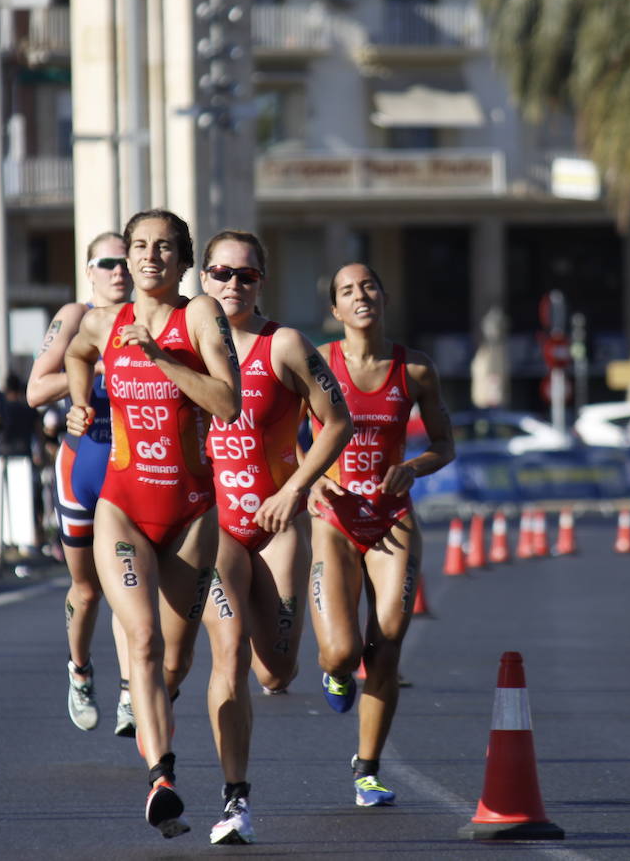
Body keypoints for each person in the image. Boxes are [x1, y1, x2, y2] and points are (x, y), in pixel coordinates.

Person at [65, 209, 241, 839]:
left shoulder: (199, 317)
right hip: (123, 506)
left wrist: (162, 358)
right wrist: (82, 406)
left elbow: (228, 402)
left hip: (192, 510)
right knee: (140, 641)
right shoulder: (103, 321)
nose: (149, 258)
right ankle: (161, 779)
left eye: (165, 248)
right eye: (140, 247)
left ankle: (151, 725)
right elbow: (80, 352)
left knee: (173, 661)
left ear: (182, 258)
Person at [197, 231, 354, 844]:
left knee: (276, 670)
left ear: (262, 281)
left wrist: (295, 490)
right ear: (203, 279)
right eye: (221, 273)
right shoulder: (186, 344)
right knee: (229, 649)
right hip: (215, 528)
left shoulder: (283, 344)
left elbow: (337, 421)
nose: (233, 285)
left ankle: (320, 662)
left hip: (277, 524)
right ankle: (236, 800)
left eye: (246, 276)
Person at [307, 262, 455, 808]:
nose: (360, 295)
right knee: (341, 652)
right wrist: (313, 481)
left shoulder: (414, 369)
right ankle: (337, 672)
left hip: (392, 516)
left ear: (384, 296)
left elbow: (445, 443)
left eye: (368, 285)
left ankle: (367, 769)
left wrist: (413, 468)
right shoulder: (319, 363)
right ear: (336, 310)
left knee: (388, 638)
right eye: (347, 290)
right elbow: (288, 437)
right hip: (335, 518)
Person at [26, 231, 136, 735]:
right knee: (88, 589)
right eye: (107, 263)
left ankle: (133, 692)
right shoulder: (73, 316)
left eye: (125, 262)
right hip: (82, 464)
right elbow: (34, 390)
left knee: (128, 587)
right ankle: (80, 669)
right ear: (89, 271)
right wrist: (90, 380)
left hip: (131, 465)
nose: (119, 271)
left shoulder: (148, 319)